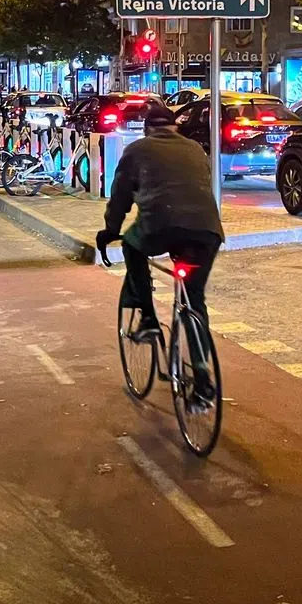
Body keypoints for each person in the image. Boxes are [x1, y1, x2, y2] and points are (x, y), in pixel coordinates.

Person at [97, 102, 224, 401]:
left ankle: (149, 320)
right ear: (174, 127)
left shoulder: (137, 150)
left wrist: (111, 230)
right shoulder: (195, 148)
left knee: (132, 245)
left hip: (161, 227)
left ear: (147, 128)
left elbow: (120, 196)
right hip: (207, 231)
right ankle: (203, 377)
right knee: (195, 299)